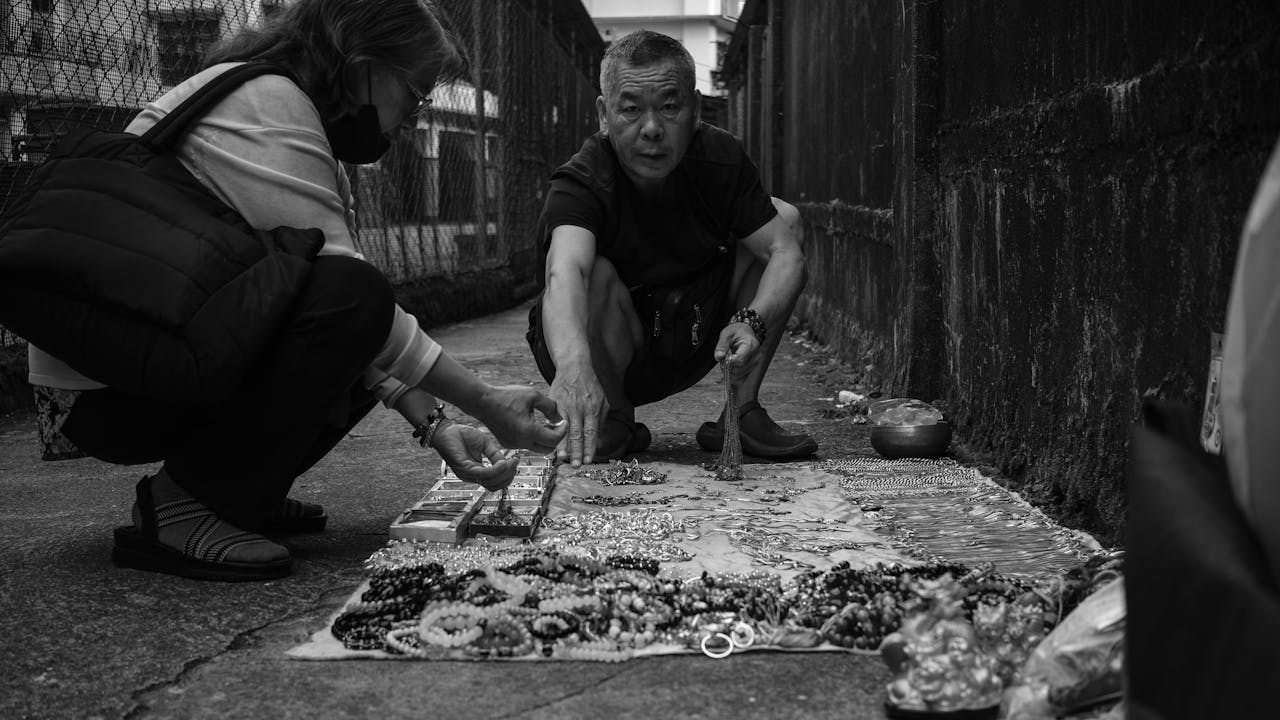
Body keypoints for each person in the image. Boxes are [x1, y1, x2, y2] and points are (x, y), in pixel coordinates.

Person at [26, 0, 565, 581]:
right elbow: (351, 305)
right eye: (415, 95)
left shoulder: (298, 118)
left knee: (358, 317)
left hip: (150, 356)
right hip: (100, 394)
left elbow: (365, 338)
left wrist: (436, 426)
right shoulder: (268, 103)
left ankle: (240, 492)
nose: (413, 118)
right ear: (363, 65)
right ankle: (184, 502)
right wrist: (486, 401)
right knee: (353, 298)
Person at [526, 29, 816, 467]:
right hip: (607, 355)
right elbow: (565, 273)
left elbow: (786, 254)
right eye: (630, 109)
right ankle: (614, 418)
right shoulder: (581, 182)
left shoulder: (719, 159)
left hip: (697, 334)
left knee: (784, 220)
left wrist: (752, 322)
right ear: (604, 114)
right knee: (593, 274)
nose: (651, 129)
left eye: (669, 106)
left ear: (695, 109)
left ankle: (739, 413)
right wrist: (571, 364)